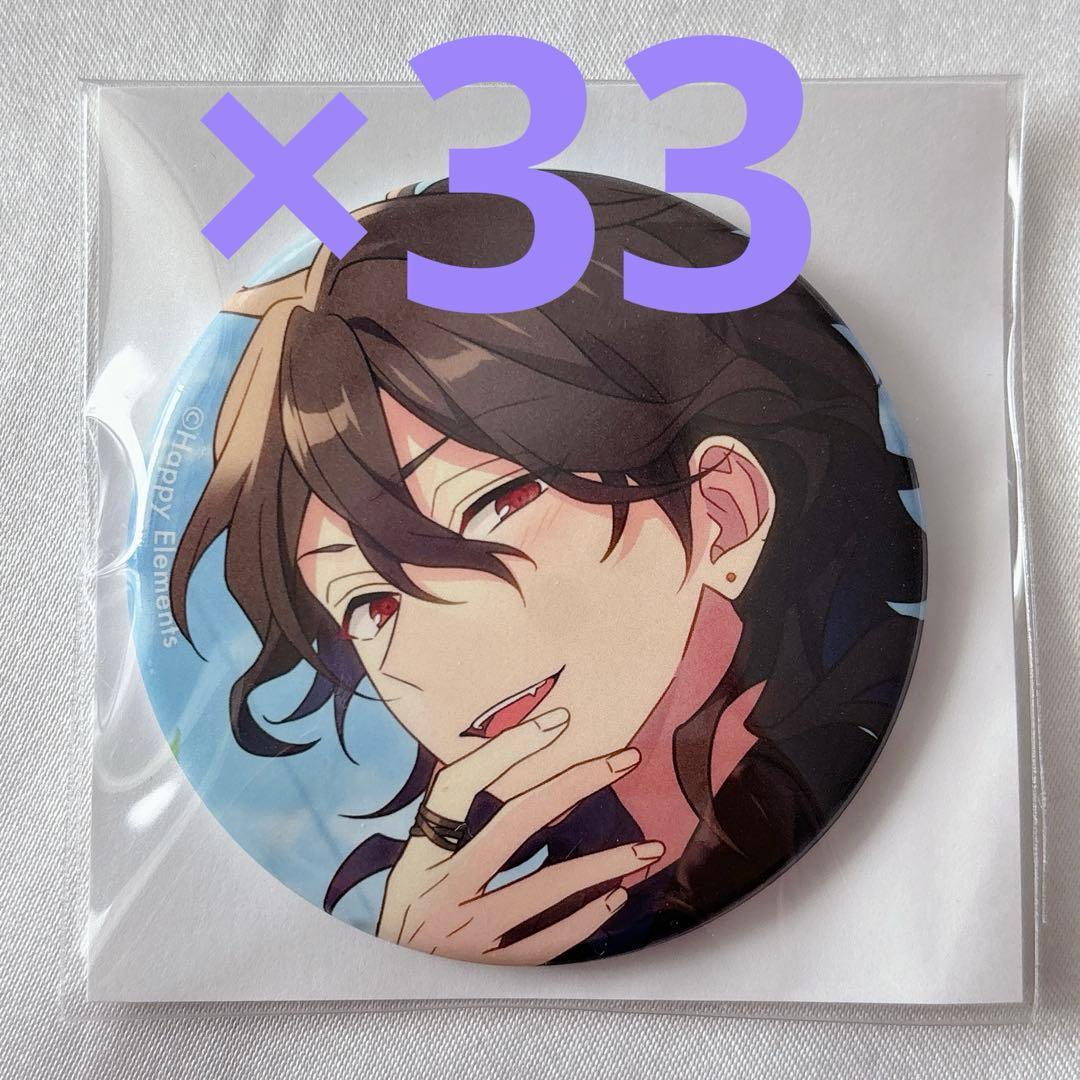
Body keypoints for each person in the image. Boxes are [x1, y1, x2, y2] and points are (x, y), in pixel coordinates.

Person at [170, 171, 925, 964]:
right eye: (370, 606)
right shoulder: (548, 895)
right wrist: (420, 951)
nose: (438, 651)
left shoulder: (870, 791)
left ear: (722, 510)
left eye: (494, 504)